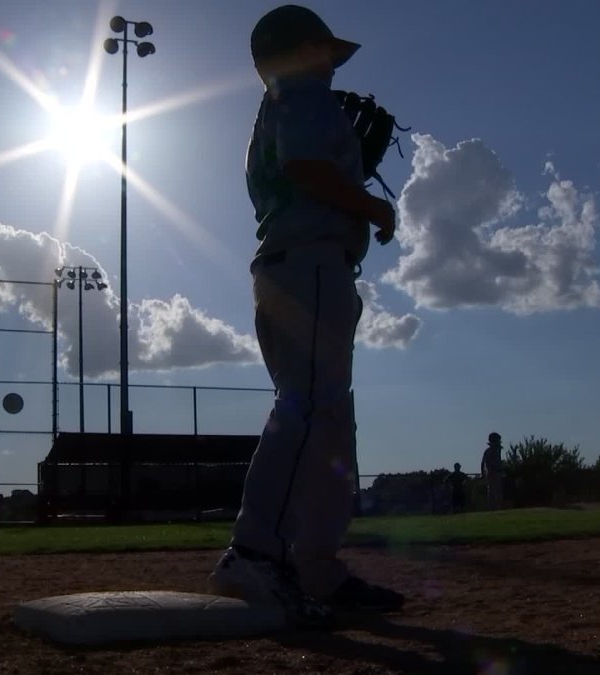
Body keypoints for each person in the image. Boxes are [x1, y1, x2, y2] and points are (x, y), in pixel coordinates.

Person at [207, 4, 402, 626]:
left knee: (327, 420)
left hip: (300, 265)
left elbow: (301, 171)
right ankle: (255, 552)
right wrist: (373, 208)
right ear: (295, 52)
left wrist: (345, 184)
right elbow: (304, 168)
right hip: (311, 264)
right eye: (320, 50)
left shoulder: (282, 102)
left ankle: (315, 567)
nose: (330, 62)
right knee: (310, 408)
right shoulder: (303, 95)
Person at [481, 432, 505, 510]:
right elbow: (485, 463)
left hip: (497, 472)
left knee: (496, 491)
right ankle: (493, 507)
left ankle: (497, 507)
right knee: (493, 492)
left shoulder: (497, 450)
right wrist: (484, 473)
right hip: (492, 473)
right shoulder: (490, 451)